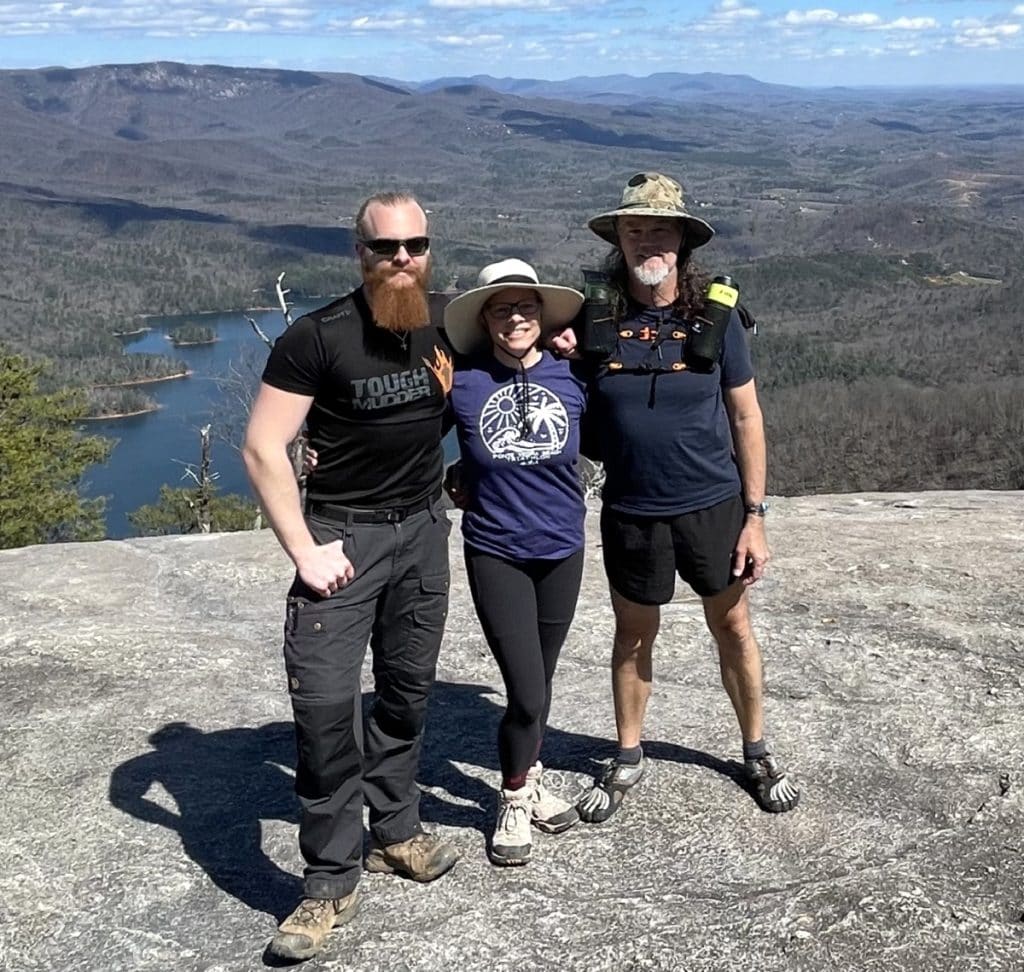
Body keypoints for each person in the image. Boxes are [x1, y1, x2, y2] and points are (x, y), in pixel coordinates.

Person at [242, 190, 459, 962]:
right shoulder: (318, 337)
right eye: (385, 247)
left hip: (424, 533)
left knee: (405, 691)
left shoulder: (445, 324)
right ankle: (329, 881)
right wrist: (304, 548)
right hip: (345, 537)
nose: (402, 259)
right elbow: (264, 448)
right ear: (357, 252)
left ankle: (394, 832)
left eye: (415, 246)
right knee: (327, 708)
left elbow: (496, 372)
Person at [553, 172, 800, 822]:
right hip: (632, 509)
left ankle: (755, 750)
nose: (647, 240)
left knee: (733, 626)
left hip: (713, 506)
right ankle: (628, 755)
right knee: (634, 635)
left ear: (684, 242)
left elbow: (746, 419)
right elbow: (518, 357)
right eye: (635, 229)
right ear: (619, 239)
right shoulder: (592, 320)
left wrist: (755, 516)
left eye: (661, 229)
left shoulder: (716, 322)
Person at [443, 259, 587, 866]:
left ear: (543, 314)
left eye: (526, 307)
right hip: (497, 549)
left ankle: (531, 771)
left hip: (563, 548)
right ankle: (512, 795)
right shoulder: (463, 380)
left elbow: (624, 430)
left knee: (543, 680)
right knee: (526, 689)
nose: (516, 318)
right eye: (502, 309)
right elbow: (402, 434)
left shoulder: (576, 377)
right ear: (485, 320)